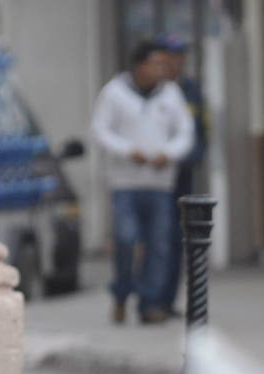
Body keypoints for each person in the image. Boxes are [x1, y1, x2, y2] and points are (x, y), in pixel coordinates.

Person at [91, 41, 194, 325]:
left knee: (159, 244)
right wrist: (127, 151)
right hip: (124, 182)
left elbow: (185, 132)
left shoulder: (171, 94)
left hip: (160, 183)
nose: (163, 69)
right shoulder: (114, 93)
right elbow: (100, 130)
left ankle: (150, 303)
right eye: (156, 64)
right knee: (125, 238)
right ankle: (122, 292)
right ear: (140, 65)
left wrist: (169, 153)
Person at [157, 35, 207, 318]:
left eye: (179, 56)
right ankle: (151, 297)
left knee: (179, 238)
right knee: (155, 237)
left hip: (182, 174)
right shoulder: (155, 89)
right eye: (169, 56)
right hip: (152, 175)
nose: (175, 62)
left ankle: (167, 299)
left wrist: (188, 156)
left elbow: (201, 131)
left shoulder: (191, 90)